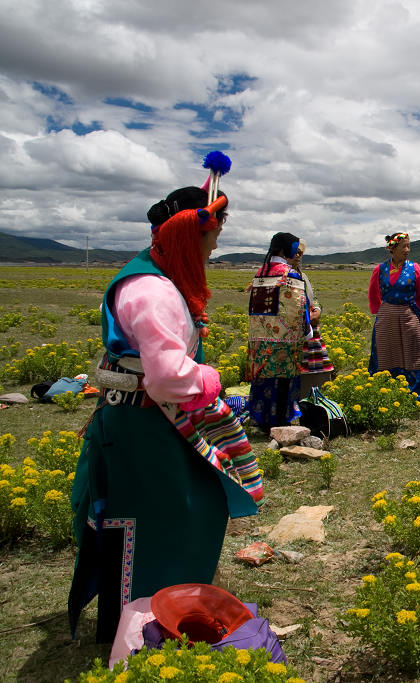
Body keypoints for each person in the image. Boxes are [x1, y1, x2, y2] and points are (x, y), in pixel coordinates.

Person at [70, 157, 261, 642]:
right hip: (145, 429)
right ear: (187, 235)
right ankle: (145, 628)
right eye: (212, 236)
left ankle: (161, 616)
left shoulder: (157, 280)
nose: (215, 247)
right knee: (162, 520)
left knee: (179, 512)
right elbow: (167, 378)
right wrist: (211, 378)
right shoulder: (152, 293)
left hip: (151, 425)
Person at [246, 232, 309, 432]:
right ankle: (280, 420)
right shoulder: (288, 273)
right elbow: (300, 306)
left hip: (261, 334)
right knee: (283, 378)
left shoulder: (261, 271)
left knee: (264, 376)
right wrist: (306, 329)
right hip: (285, 337)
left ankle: (261, 417)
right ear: (285, 250)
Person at [368, 232, 420, 401]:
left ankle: (415, 392)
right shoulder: (380, 269)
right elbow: (373, 293)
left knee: (414, 351)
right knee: (386, 352)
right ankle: (387, 390)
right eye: (403, 246)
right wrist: (378, 310)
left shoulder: (415, 268)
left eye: (408, 246)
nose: (407, 250)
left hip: (409, 315)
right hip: (387, 316)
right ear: (393, 248)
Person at [292, 240, 335, 388]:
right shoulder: (277, 277)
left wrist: (317, 310)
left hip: (308, 330)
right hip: (290, 333)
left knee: (313, 376)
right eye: (295, 251)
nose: (298, 255)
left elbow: (313, 298)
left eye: (300, 252)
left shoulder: (302, 277)